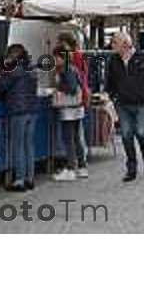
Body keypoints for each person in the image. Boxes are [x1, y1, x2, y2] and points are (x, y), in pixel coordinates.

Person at [106, 32, 144, 182]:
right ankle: (131, 168)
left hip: (141, 102)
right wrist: (111, 96)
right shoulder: (114, 60)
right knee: (126, 135)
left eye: (114, 43)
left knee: (142, 133)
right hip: (122, 104)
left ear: (125, 44)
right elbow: (109, 81)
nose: (112, 46)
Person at [0, 44, 38, 192]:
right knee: (28, 145)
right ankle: (30, 178)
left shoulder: (12, 70)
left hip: (18, 111)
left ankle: (19, 181)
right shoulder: (31, 69)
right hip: (32, 110)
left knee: (18, 146)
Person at [55, 31, 89, 178]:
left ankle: (70, 169)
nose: (54, 61)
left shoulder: (66, 69)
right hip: (77, 107)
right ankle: (81, 167)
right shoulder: (74, 67)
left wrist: (58, 88)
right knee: (76, 137)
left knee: (68, 138)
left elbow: (71, 88)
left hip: (69, 108)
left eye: (55, 58)